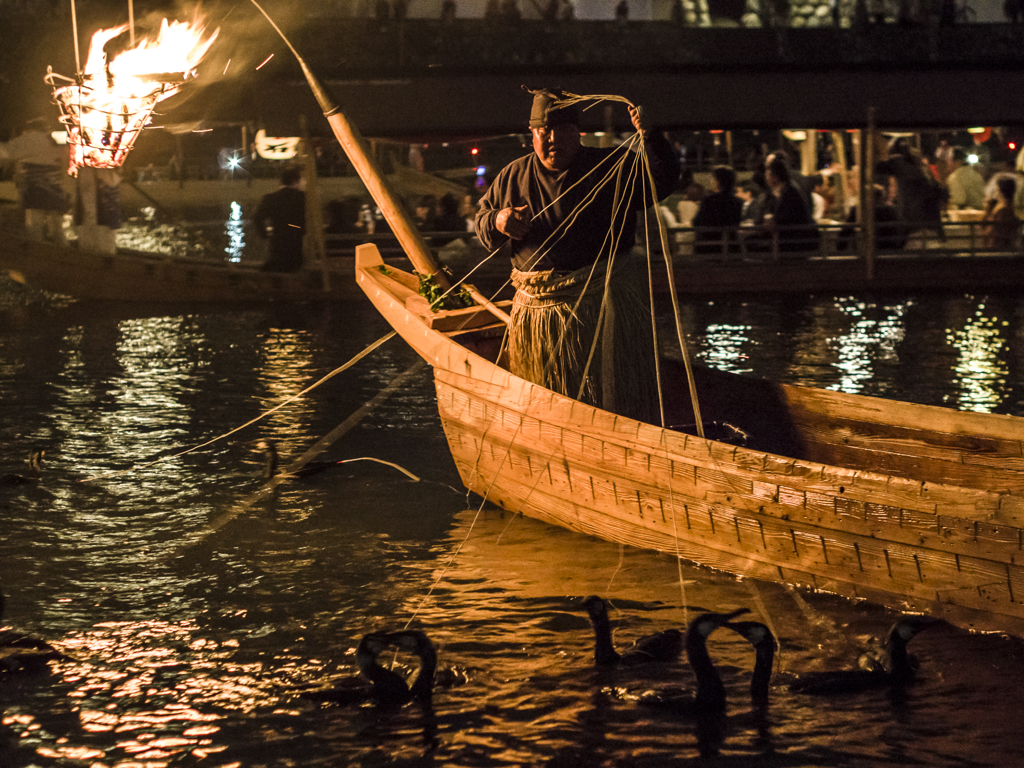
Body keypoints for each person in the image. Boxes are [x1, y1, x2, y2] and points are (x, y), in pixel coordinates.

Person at [475, 87, 679, 422]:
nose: (551, 139)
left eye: (560, 131)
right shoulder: (513, 176)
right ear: (532, 134)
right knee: (547, 400)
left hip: (604, 305)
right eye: (543, 132)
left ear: (577, 133)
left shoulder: (612, 166)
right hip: (539, 312)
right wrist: (499, 220)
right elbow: (483, 224)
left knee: (613, 395)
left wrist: (651, 136)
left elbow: (662, 181)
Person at [0, 117, 70, 244]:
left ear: (31, 128)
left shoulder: (30, 139)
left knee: (34, 225)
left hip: (35, 188)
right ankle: (66, 253)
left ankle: (36, 255)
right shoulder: (58, 138)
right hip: (56, 187)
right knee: (57, 227)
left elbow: (8, 152)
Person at [749, 156, 819, 254]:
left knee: (752, 242)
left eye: (768, 175)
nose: (766, 178)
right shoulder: (784, 190)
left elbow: (788, 217)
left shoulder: (789, 193)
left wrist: (772, 221)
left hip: (796, 240)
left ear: (775, 177)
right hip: (792, 237)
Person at [253, 167, 306, 272]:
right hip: (296, 245)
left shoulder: (270, 198)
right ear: (295, 181)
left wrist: (265, 235)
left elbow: (257, 218)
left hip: (277, 244)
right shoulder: (302, 198)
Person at [691, 166, 744, 256]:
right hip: (731, 246)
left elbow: (697, 222)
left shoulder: (708, 200)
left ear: (717, 181)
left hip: (708, 246)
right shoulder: (737, 202)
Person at [983, 176, 1021, 250]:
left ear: (1000, 190)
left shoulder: (1003, 211)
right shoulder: (1007, 207)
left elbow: (994, 232)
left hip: (997, 249)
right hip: (999, 247)